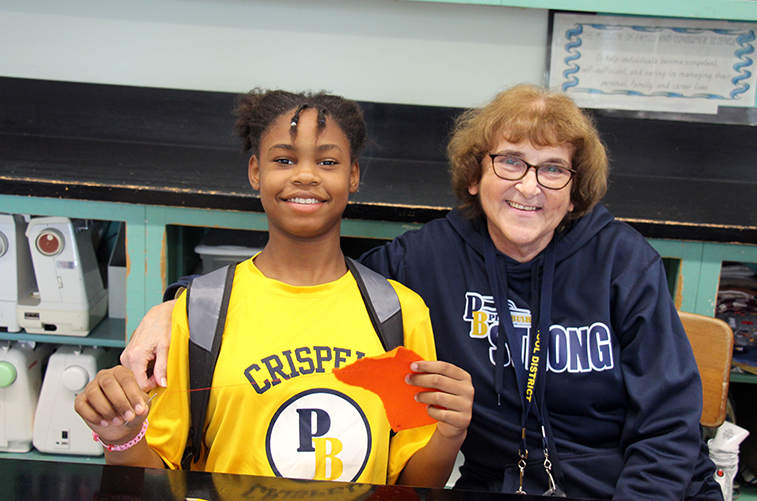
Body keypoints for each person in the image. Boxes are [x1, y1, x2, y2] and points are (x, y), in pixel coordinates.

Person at [120, 84, 723, 500]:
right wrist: (178, 303)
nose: (529, 187)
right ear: (476, 173)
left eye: (553, 168)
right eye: (510, 161)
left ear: (575, 185)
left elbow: (669, 432)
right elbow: (318, 279)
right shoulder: (428, 259)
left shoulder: (623, 261)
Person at [74, 89, 473, 488]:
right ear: (255, 171)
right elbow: (153, 482)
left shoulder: (401, 314)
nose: (305, 174)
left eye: (327, 161)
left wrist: (450, 434)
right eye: (283, 160)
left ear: (353, 175)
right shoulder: (196, 314)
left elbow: (415, 485)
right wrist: (121, 437)